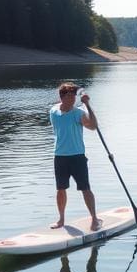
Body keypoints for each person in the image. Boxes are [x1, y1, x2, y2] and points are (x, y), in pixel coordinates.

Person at [50, 82, 100, 231]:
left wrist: (88, 106)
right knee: (60, 189)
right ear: (62, 98)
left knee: (85, 188)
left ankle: (95, 219)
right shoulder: (53, 111)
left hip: (77, 157)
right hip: (59, 156)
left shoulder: (78, 113)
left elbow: (93, 126)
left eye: (74, 97)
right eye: (69, 97)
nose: (72, 100)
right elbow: (60, 113)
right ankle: (61, 219)